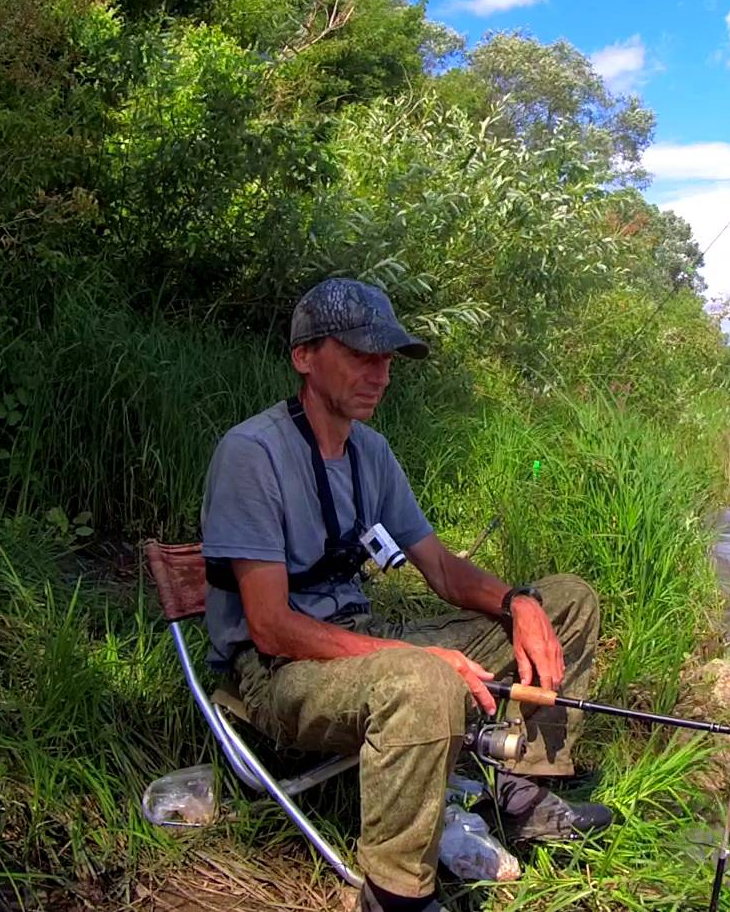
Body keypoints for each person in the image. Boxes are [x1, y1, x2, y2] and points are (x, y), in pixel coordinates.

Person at [199, 277, 612, 911]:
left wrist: (519, 602)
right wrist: (417, 659)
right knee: (422, 679)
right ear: (304, 356)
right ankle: (394, 894)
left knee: (568, 600)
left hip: (362, 643)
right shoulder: (252, 454)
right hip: (277, 671)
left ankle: (521, 792)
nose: (381, 374)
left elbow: (442, 569)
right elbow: (271, 626)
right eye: (361, 355)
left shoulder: (371, 452)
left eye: (387, 358)